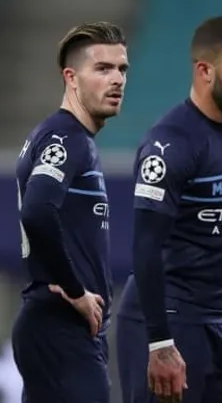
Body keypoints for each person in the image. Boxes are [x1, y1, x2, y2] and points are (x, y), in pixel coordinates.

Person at [116, 16, 222, 403]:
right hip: (166, 321)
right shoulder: (170, 145)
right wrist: (159, 342)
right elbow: (145, 248)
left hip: (219, 322)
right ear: (204, 70)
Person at [13, 22, 128, 402]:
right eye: (103, 68)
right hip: (59, 326)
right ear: (71, 78)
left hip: (57, 331)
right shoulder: (66, 137)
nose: (117, 79)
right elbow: (37, 212)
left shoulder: (64, 136)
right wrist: (76, 291)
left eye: (122, 69)